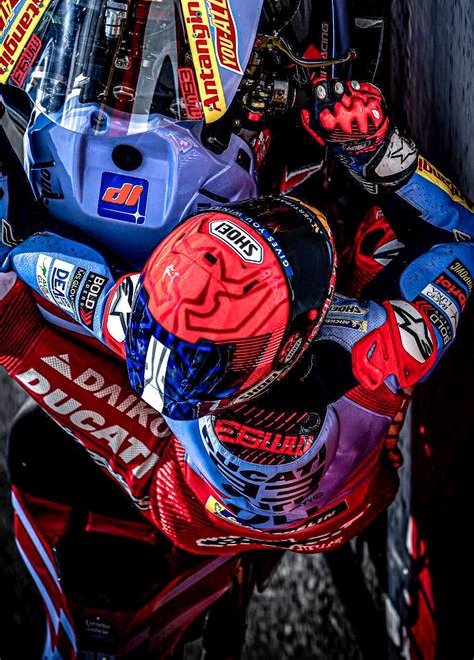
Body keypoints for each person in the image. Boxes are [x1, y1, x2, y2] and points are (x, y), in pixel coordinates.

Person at [1, 77, 472, 567]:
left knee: (11, 319)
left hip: (201, 498)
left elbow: (23, 247)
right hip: (322, 512)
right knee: (382, 239)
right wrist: (375, 152)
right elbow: (458, 239)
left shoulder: (141, 320)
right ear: (294, 348)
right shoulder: (380, 347)